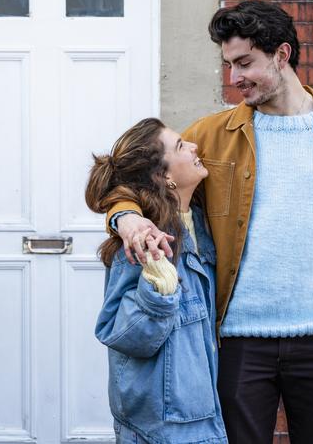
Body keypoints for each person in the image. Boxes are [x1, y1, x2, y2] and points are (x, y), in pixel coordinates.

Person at [106, 0, 313, 444]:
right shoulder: (210, 136)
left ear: (282, 55)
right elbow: (133, 180)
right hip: (237, 345)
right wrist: (126, 218)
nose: (234, 78)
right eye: (229, 65)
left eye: (245, 62)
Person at [86, 118, 228, 444]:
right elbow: (123, 332)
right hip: (162, 428)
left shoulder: (196, 226)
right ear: (164, 176)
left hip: (198, 416)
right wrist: (159, 288)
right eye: (180, 146)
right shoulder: (144, 243)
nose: (194, 147)